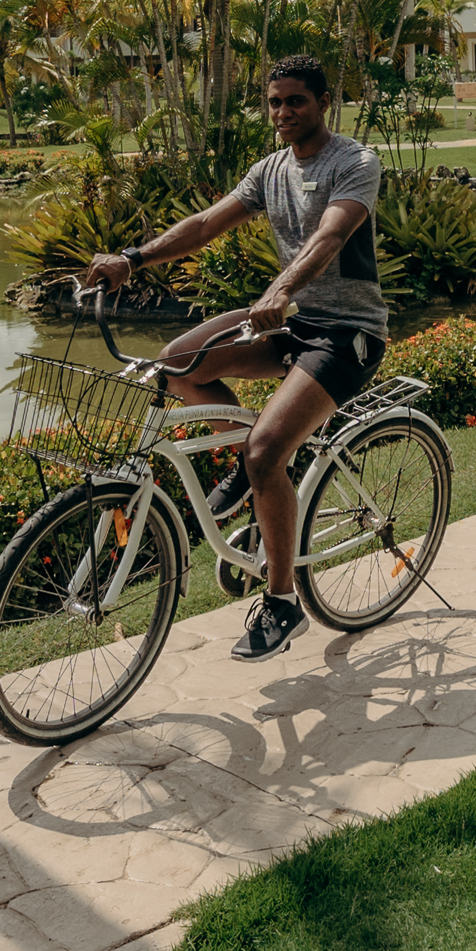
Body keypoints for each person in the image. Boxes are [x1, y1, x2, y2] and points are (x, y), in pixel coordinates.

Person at [83, 57, 386, 661]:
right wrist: (133, 258)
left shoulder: (353, 163)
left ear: (323, 102)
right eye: (274, 102)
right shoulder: (269, 170)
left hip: (345, 332)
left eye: (295, 101)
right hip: (289, 321)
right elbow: (203, 224)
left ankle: (281, 603)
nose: (282, 113)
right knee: (179, 362)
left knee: (268, 449)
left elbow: (329, 237)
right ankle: (248, 476)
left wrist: (282, 289)